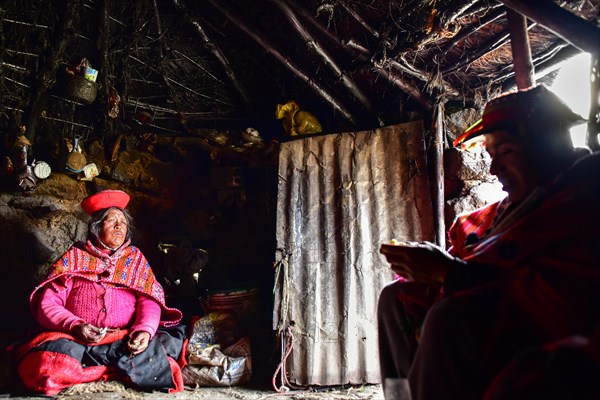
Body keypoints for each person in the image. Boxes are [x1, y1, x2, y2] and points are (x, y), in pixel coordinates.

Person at [377, 84, 600, 399]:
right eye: (491, 155)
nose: (494, 169)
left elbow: (555, 297)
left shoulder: (582, 198)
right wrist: (430, 271)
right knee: (395, 298)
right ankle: (402, 396)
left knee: (450, 319)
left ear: (551, 144)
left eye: (507, 151)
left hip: (542, 333)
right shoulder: (503, 212)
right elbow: (479, 261)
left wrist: (449, 273)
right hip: (496, 314)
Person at [12, 190, 186, 395]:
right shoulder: (74, 259)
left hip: (124, 340)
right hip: (77, 341)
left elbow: (149, 301)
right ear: (95, 228)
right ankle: (115, 371)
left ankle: (90, 372)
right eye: (111, 220)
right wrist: (75, 325)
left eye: (123, 222)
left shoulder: (135, 260)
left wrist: (144, 331)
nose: (119, 226)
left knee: (163, 359)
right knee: (44, 367)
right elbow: (47, 305)